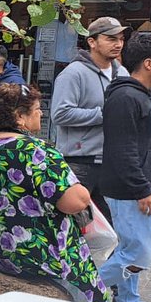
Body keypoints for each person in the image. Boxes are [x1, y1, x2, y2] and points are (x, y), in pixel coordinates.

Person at [0, 83, 108, 302]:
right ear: (20, 117)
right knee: (97, 298)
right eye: (37, 109)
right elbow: (75, 202)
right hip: (41, 258)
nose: (41, 114)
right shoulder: (36, 151)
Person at [100, 32, 151, 302]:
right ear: (148, 63)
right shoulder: (126, 97)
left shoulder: (140, 96)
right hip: (128, 189)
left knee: (129, 247)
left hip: (135, 185)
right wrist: (142, 188)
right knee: (139, 253)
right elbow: (122, 149)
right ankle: (80, 288)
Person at [50, 16, 125, 222]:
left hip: (112, 161)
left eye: (120, 38)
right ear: (92, 42)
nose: (117, 44)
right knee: (74, 224)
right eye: (110, 39)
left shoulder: (122, 73)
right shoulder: (74, 74)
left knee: (109, 228)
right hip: (79, 161)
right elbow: (60, 113)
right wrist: (105, 114)